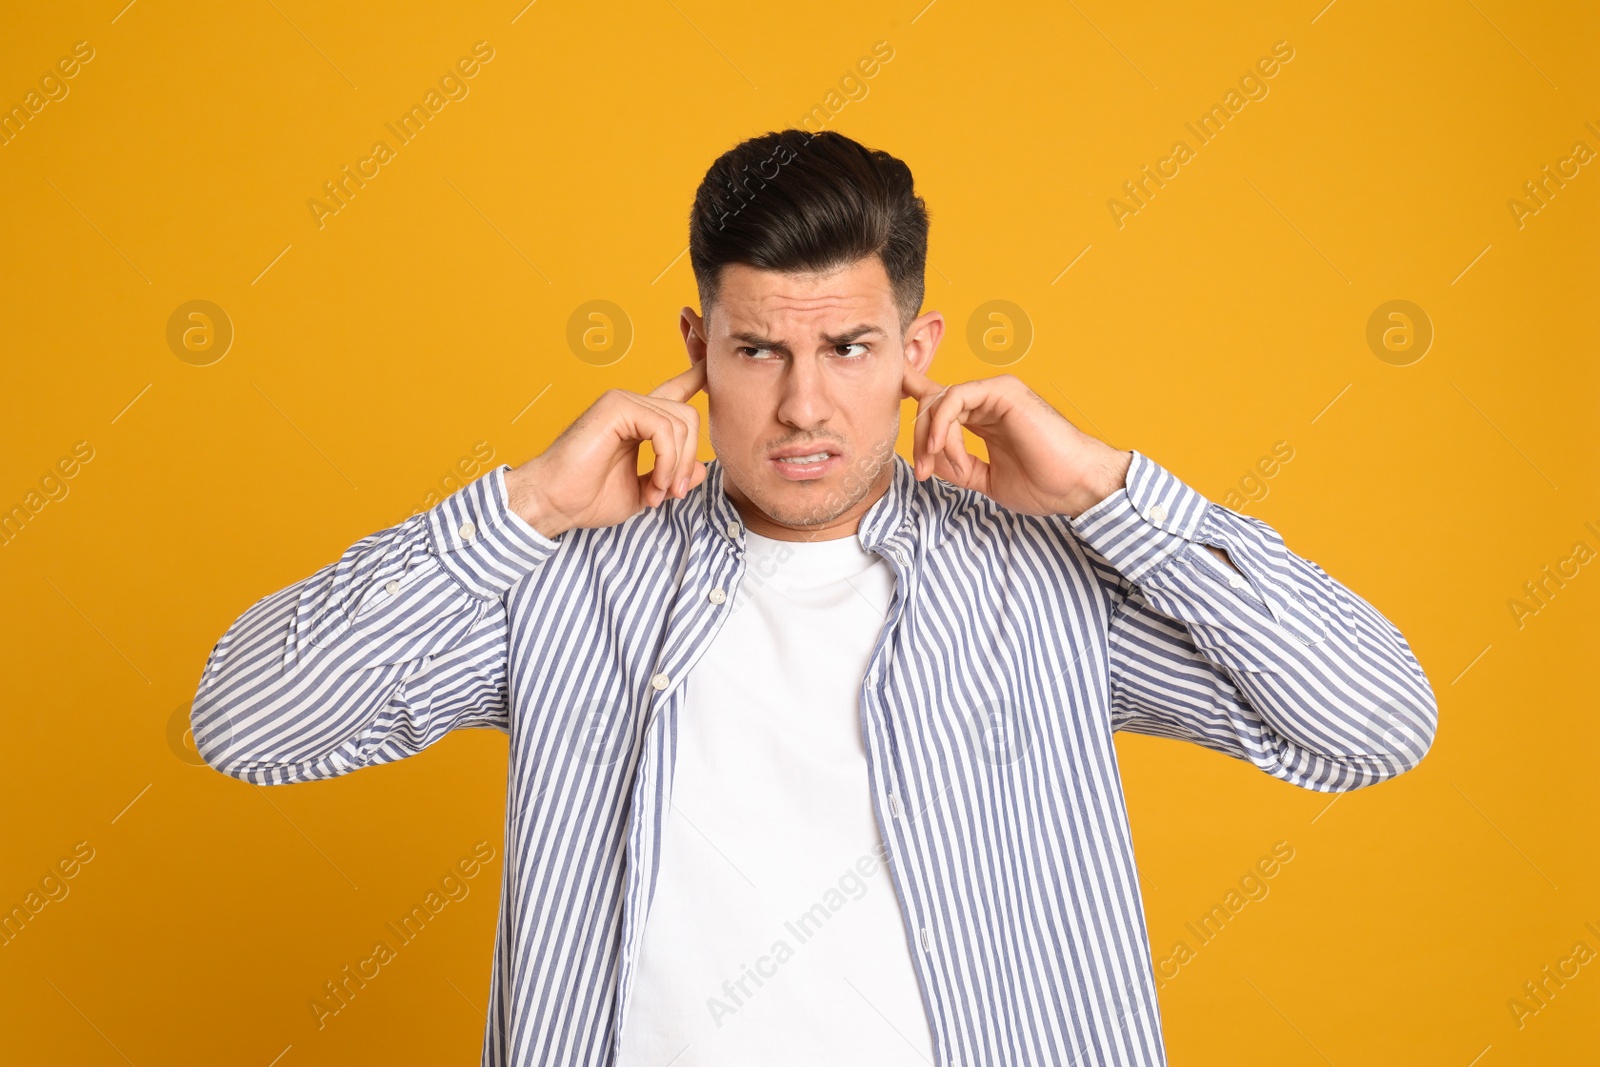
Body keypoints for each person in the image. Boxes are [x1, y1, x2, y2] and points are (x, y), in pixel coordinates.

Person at [190, 128, 1439, 1067]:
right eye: (757, 350)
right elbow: (247, 725)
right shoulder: (566, 584)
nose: (801, 404)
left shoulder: (1043, 578)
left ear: (917, 350)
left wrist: (1113, 492)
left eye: (846, 349)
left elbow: (1373, 725)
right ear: (696, 349)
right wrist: (523, 507)